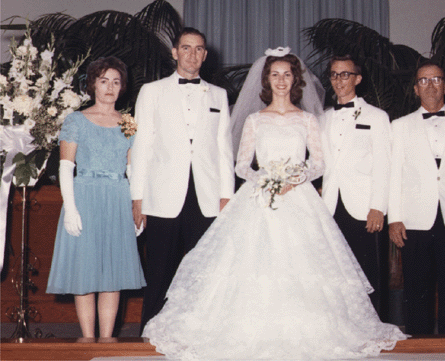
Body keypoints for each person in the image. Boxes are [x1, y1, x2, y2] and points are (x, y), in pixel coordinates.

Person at [142, 48, 406, 360]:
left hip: (300, 198)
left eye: (287, 74)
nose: (281, 80)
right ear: (266, 80)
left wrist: (295, 178)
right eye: (275, 75)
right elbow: (241, 166)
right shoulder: (254, 120)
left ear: (296, 79)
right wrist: (264, 179)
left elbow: (319, 164)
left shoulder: (309, 120)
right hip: (259, 198)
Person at [129, 27, 235, 332]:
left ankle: (202, 334)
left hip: (206, 197)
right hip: (162, 196)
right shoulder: (152, 91)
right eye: (186, 48)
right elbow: (142, 145)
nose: (192, 54)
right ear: (175, 52)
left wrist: (226, 196)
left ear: (205, 55)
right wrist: (138, 197)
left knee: (204, 273)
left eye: (198, 49)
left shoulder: (218, 95)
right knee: (159, 271)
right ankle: (149, 335)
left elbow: (224, 149)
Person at [46, 57, 146, 338]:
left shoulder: (128, 122)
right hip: (85, 198)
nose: (110, 87)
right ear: (92, 85)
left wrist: (138, 206)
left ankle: (107, 339)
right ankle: (88, 339)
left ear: (122, 87)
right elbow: (66, 167)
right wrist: (71, 208)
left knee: (113, 274)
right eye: (104, 81)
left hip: (117, 198)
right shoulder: (76, 120)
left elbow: (133, 168)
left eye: (116, 82)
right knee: (85, 271)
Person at [388, 60, 445, 335]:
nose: (430, 85)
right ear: (416, 89)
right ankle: (420, 342)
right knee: (417, 285)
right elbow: (395, 175)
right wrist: (395, 218)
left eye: (436, 79)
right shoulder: (400, 126)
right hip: (414, 217)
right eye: (424, 80)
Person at [320, 55, 391, 319]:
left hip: (364, 206)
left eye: (345, 74)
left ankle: (374, 326)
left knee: (369, 272)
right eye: (334, 74)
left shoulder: (377, 116)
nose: (339, 80)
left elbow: (384, 164)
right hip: (330, 206)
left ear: (358, 79)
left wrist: (378, 207)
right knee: (337, 274)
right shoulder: (323, 118)